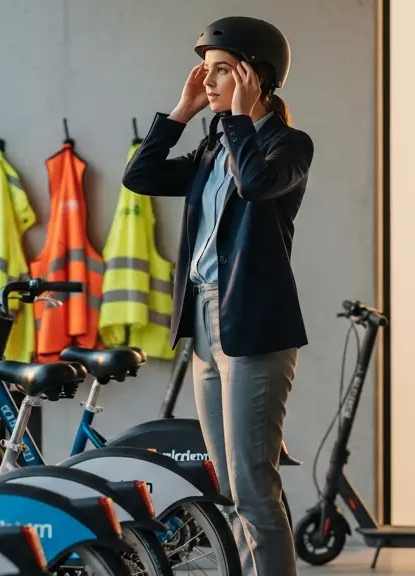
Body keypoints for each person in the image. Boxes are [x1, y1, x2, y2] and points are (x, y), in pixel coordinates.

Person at [121, 15, 313, 576]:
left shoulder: (289, 146)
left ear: (255, 78)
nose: (207, 82)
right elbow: (141, 177)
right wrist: (181, 114)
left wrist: (236, 119)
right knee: (229, 485)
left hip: (253, 328)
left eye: (221, 71)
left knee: (254, 485)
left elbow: (255, 184)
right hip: (206, 323)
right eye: (205, 72)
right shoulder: (211, 146)